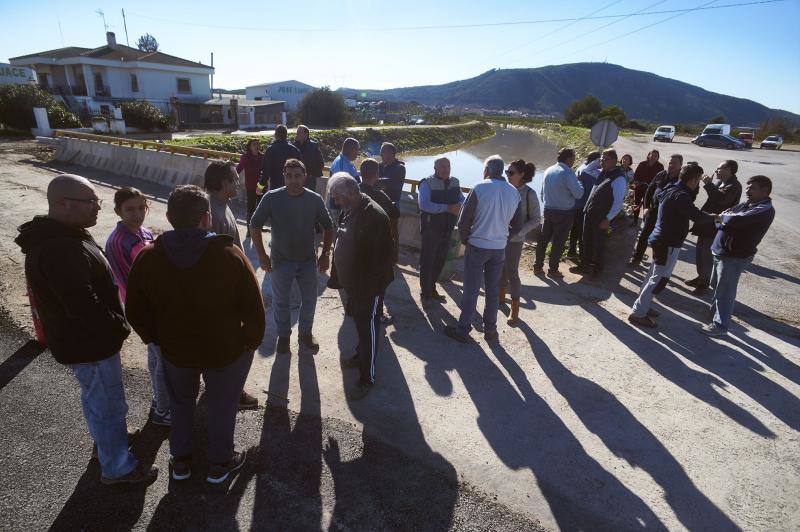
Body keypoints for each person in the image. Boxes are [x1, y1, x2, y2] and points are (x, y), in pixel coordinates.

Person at [15, 174, 157, 485]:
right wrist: (117, 327)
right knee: (106, 400)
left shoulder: (66, 234)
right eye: (91, 202)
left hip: (83, 341)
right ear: (63, 204)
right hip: (89, 343)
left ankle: (109, 440)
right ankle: (117, 466)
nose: (97, 207)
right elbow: (82, 304)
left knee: (97, 397)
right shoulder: (58, 248)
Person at [126, 185, 265, 483]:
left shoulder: (149, 257)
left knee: (180, 404)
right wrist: (249, 343)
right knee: (222, 405)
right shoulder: (230, 254)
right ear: (206, 218)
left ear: (168, 216)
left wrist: (156, 338)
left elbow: (135, 310)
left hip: (175, 350)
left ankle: (181, 462)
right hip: (225, 349)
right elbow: (254, 308)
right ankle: (220, 463)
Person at [250, 159, 334, 354]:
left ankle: (305, 333)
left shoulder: (314, 199)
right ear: (283, 177)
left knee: (310, 299)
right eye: (289, 176)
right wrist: (262, 255)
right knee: (281, 301)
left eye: (298, 176)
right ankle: (284, 336)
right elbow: (255, 225)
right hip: (281, 260)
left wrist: (326, 254)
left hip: (307, 260)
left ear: (305, 176)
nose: (293, 180)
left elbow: (329, 226)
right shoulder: (271, 198)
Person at [105, 187, 171, 427]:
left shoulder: (143, 233)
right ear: (118, 211)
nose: (137, 214)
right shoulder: (118, 241)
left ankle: (158, 400)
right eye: (130, 210)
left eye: (141, 208)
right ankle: (164, 411)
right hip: (144, 309)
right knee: (163, 358)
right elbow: (131, 281)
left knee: (155, 356)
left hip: (153, 305)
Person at [326, 173, 395, 400]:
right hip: (354, 285)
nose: (336, 202)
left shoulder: (374, 216)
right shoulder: (352, 208)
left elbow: (383, 260)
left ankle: (368, 376)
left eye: (338, 198)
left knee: (370, 330)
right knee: (360, 325)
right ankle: (359, 356)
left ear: (353, 193)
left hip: (368, 287)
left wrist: (367, 290)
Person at [445, 155, 523, 343]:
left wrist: (466, 240)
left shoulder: (479, 188)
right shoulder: (514, 192)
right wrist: (504, 238)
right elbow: (518, 224)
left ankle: (463, 329)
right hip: (498, 249)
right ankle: (491, 331)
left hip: (478, 245)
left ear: (487, 170)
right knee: (492, 291)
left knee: (471, 290)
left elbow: (464, 220)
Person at [203, 162, 260, 410]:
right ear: (223, 182)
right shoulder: (208, 212)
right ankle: (228, 392)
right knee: (232, 344)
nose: (238, 184)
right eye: (234, 180)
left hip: (230, 288)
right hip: (221, 293)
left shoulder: (221, 206)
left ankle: (224, 388)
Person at [628, 163, 714, 328]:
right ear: (694, 180)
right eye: (697, 182)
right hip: (668, 242)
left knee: (653, 274)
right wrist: (715, 217)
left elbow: (656, 198)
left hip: (661, 239)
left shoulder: (670, 188)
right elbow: (696, 215)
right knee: (658, 278)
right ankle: (638, 312)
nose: (697, 185)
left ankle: (643, 304)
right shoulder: (681, 195)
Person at [700, 175, 775, 337]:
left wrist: (721, 220)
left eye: (752, 188)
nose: (747, 190)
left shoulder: (764, 209)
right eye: (747, 187)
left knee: (725, 291)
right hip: (721, 251)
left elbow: (733, 220)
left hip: (734, 256)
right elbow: (726, 213)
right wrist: (722, 219)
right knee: (716, 285)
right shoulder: (748, 204)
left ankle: (720, 326)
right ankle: (714, 313)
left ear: (765, 191)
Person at [687, 160, 742, 295]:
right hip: (706, 223)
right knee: (700, 252)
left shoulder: (734, 185)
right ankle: (701, 277)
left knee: (706, 254)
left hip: (715, 225)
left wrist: (708, 184)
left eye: (720, 168)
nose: (716, 171)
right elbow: (713, 198)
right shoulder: (720, 182)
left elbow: (720, 200)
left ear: (729, 170)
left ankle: (704, 284)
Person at [572, 149, 628, 276]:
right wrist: (599, 160)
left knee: (599, 244)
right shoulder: (602, 172)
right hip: (589, 213)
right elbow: (587, 170)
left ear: (615, 161)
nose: (602, 162)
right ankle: (584, 266)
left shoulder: (619, 178)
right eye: (601, 160)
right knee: (586, 240)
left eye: (605, 160)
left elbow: (618, 202)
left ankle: (597, 270)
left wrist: (608, 218)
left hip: (601, 217)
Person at [418, 157, 465, 302]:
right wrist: (447, 208)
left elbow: (462, 199)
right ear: (435, 168)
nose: (446, 169)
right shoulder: (426, 183)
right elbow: (424, 205)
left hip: (447, 228)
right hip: (431, 229)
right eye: (442, 166)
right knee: (427, 261)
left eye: (448, 166)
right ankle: (425, 293)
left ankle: (431, 288)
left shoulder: (455, 182)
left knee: (440, 260)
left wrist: (460, 206)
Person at [500, 159, 541, 325]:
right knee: (499, 268)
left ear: (522, 175)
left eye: (511, 173)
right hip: (499, 237)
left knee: (512, 271)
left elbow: (536, 219)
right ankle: (500, 298)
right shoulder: (504, 189)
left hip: (515, 240)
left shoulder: (529, 194)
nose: (507, 176)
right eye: (506, 172)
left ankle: (514, 308)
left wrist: (519, 232)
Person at [534, 148, 583, 278]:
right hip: (564, 213)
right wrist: (580, 182)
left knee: (543, 240)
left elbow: (542, 193)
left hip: (548, 210)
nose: (574, 161)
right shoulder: (568, 173)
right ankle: (553, 270)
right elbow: (578, 194)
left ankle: (538, 267)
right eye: (573, 158)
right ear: (568, 159)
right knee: (558, 242)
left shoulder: (548, 170)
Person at [628, 153, 683, 267]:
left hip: (668, 217)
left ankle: (657, 263)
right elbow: (649, 190)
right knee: (644, 235)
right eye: (670, 163)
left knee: (660, 240)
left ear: (680, 165)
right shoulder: (661, 174)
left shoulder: (682, 179)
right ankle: (636, 258)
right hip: (653, 211)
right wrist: (646, 207)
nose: (671, 165)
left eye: (675, 163)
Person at [360, 158, 400, 260]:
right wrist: (395, 252)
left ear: (361, 173)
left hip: (355, 244)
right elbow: (395, 214)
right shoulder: (381, 196)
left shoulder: (352, 192)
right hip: (376, 246)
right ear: (377, 174)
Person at [567, 151, 601, 259]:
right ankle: (583, 256)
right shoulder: (590, 172)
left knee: (574, 229)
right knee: (583, 232)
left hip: (575, 204)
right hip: (583, 205)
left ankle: (571, 251)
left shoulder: (582, 167)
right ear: (595, 161)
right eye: (599, 160)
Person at [257, 125, 301, 194]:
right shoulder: (295, 150)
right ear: (286, 135)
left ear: (275, 135)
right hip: (292, 187)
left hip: (276, 187)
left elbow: (265, 171)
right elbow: (301, 169)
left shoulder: (270, 150)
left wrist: (260, 187)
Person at [328, 137, 361, 218]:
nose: (357, 153)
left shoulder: (347, 161)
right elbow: (342, 188)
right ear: (349, 149)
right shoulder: (341, 163)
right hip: (341, 208)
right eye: (356, 150)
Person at [630, 149, 664, 226]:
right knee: (637, 203)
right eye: (652, 155)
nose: (654, 157)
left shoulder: (660, 166)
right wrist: (637, 183)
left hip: (651, 191)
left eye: (656, 156)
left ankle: (645, 222)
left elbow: (661, 179)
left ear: (658, 157)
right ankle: (635, 220)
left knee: (647, 206)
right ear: (648, 155)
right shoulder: (642, 164)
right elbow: (636, 176)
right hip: (640, 188)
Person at [235, 139, 263, 224]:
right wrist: (232, 177)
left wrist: (261, 185)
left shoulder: (262, 156)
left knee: (261, 207)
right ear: (250, 147)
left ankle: (259, 226)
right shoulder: (245, 157)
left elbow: (266, 170)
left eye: (258, 144)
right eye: (254, 144)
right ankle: (249, 228)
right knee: (251, 208)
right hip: (250, 186)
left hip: (261, 186)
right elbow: (238, 169)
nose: (256, 146)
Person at [295, 125, 324, 191]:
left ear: (306, 134)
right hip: (297, 179)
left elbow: (321, 163)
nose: (297, 134)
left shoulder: (314, 146)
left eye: (299, 132)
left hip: (311, 180)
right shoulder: (293, 147)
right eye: (297, 132)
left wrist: (311, 175)